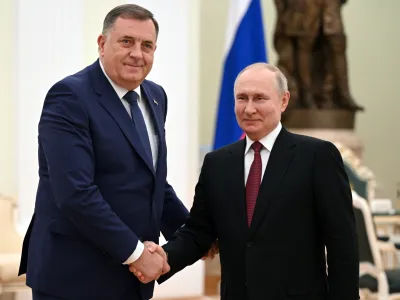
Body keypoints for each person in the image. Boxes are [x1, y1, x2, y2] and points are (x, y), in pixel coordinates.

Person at [17, 4, 203, 300]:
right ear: (102, 44)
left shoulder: (155, 97)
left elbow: (153, 182)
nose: (137, 54)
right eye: (126, 41)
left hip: (130, 279)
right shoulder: (69, 97)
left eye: (147, 45)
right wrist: (137, 254)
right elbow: (76, 193)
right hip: (74, 277)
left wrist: (197, 234)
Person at [132, 63, 360, 299]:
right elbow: (198, 232)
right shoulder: (217, 163)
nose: (249, 108)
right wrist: (165, 257)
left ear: (284, 101)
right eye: (242, 98)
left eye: (260, 98)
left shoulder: (317, 157)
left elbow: (342, 243)